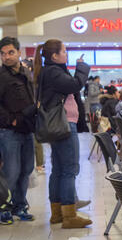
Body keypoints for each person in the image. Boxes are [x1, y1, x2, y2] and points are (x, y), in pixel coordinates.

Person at [34, 39, 92, 228]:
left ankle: (57, 213)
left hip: (59, 125)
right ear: (55, 56)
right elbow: (75, 85)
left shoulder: (49, 71)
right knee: (69, 169)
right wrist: (82, 67)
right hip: (64, 125)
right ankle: (69, 215)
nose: (67, 54)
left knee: (58, 170)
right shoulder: (53, 72)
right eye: (64, 51)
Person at [0, 37, 36, 223]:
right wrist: (10, 120)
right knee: (10, 172)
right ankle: (3, 209)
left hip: (27, 129)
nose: (7, 57)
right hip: (9, 132)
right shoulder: (2, 76)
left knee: (26, 169)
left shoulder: (25, 73)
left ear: (18, 52)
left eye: (10, 52)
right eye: (3, 54)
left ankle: (19, 205)